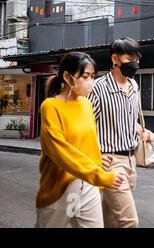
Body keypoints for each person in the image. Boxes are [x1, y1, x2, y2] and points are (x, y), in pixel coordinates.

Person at [35, 52, 127, 228]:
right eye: (85, 76)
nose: (90, 81)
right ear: (67, 77)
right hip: (60, 187)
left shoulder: (87, 104)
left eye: (93, 76)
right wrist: (100, 175)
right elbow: (60, 151)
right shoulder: (51, 106)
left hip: (88, 185)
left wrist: (99, 169)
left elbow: (91, 144)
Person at [88, 38, 154, 228]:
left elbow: (132, 123)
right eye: (129, 57)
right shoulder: (98, 88)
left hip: (131, 162)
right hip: (110, 163)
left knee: (112, 219)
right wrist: (96, 157)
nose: (135, 63)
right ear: (115, 59)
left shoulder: (134, 86)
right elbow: (85, 125)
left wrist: (149, 136)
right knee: (129, 222)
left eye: (137, 58)